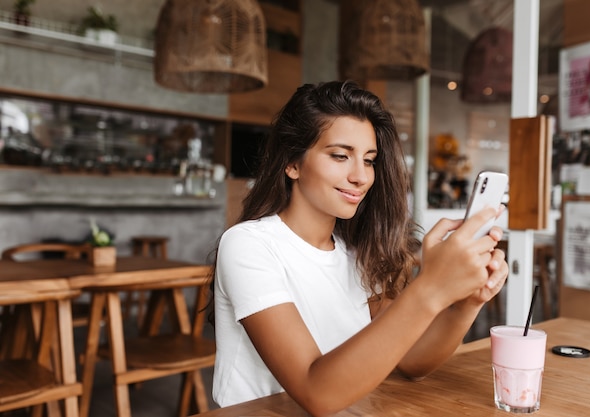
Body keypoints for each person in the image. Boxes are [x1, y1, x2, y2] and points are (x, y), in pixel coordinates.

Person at [210, 80, 508, 416]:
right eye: (340, 156)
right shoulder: (249, 245)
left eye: (369, 160)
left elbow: (411, 360)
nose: (361, 176)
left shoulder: (355, 253)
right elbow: (316, 392)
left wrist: (466, 303)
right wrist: (431, 287)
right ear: (292, 164)